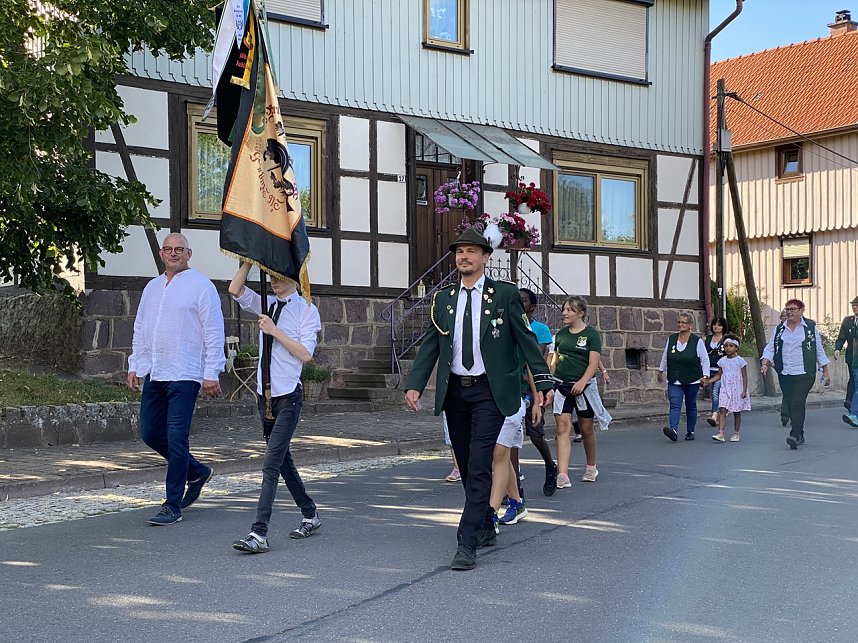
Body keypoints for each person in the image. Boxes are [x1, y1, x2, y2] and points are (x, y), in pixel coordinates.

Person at [403, 227, 554, 571]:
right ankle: (485, 521)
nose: (464, 257)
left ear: (486, 257)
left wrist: (542, 380)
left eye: (472, 251)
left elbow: (526, 339)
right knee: (467, 463)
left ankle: (466, 541)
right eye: (460, 252)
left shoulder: (505, 295)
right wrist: (415, 384)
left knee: (481, 461)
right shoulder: (444, 299)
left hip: (490, 391)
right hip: (455, 391)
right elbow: (431, 343)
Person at [127, 233, 225, 526]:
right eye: (168, 249)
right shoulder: (152, 287)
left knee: (176, 437)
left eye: (179, 249)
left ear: (188, 254)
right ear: (161, 254)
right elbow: (141, 328)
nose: (173, 253)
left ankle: (172, 505)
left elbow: (214, 331)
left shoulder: (202, 286)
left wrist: (211, 372)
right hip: (156, 372)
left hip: (185, 373)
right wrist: (135, 366)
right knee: (150, 433)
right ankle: (197, 472)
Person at [228, 262, 323, 553]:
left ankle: (259, 533)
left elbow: (305, 354)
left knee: (270, 464)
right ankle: (310, 513)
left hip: (288, 396)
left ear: (294, 278)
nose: (274, 281)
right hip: (264, 396)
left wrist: (274, 330)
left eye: (280, 276)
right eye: (271, 275)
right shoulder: (265, 303)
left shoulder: (306, 310)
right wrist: (249, 260)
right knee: (282, 461)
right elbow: (234, 289)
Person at [549, 295, 604, 487]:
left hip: (584, 388)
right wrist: (549, 383)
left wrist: (582, 381)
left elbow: (593, 362)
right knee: (562, 427)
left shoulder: (591, 335)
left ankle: (591, 467)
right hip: (562, 386)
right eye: (563, 309)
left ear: (580, 313)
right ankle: (563, 474)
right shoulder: (561, 335)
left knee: (586, 429)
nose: (564, 313)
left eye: (569, 310)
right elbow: (555, 360)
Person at [761, 298, 830, 449]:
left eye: (793, 309)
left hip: (804, 373)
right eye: (787, 309)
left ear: (801, 311)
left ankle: (795, 434)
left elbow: (818, 349)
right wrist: (765, 363)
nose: (789, 312)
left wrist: (825, 371)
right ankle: (800, 433)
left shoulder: (809, 327)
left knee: (797, 403)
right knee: (791, 402)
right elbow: (771, 347)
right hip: (785, 372)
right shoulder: (780, 329)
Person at [517, 288, 558, 496]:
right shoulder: (507, 325)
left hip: (532, 386)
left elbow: (536, 358)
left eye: (523, 300)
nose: (519, 303)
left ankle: (550, 466)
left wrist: (538, 387)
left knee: (535, 434)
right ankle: (512, 484)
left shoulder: (540, 329)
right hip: (512, 387)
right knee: (508, 438)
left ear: (532, 307)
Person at [658, 312, 710, 442]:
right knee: (674, 404)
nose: (680, 325)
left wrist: (705, 376)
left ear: (690, 325)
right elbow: (665, 356)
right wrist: (660, 371)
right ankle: (673, 430)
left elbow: (705, 360)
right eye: (679, 322)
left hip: (692, 379)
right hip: (674, 378)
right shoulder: (671, 339)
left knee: (690, 405)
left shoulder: (697, 342)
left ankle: (690, 431)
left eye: (683, 322)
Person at [705, 334, 749, 442]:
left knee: (736, 412)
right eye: (726, 346)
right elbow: (719, 375)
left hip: (737, 389)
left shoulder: (740, 361)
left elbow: (744, 376)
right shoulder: (722, 361)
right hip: (725, 388)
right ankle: (721, 433)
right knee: (722, 409)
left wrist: (744, 390)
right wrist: (708, 381)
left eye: (731, 346)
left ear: (736, 348)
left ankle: (736, 433)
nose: (728, 348)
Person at [834, 296, 858, 412]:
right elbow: (841, 337)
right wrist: (837, 349)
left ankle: (852, 404)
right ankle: (850, 403)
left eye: (857, 305)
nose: (854, 307)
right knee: (853, 379)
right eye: (853, 305)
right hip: (852, 356)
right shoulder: (848, 321)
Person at [704, 317, 728, 427]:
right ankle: (720, 413)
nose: (716, 327)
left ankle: (714, 414)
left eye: (719, 325)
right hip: (709, 370)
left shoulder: (726, 340)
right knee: (713, 393)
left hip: (721, 371)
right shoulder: (707, 339)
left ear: (723, 327)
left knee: (715, 391)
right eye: (714, 324)